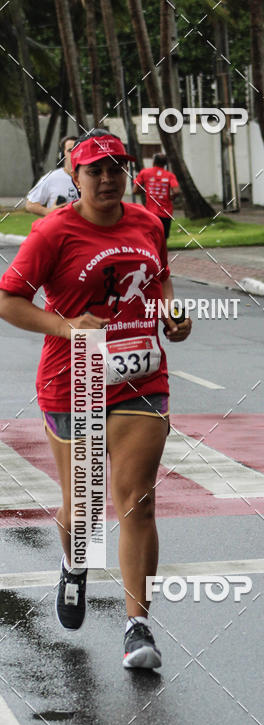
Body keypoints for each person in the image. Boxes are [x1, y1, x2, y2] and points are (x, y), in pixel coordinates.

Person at [0, 129, 191, 670]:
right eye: (95, 170)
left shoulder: (148, 223)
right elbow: (9, 301)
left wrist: (172, 316)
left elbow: (161, 281)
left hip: (141, 379)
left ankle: (137, 626)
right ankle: (74, 562)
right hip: (73, 381)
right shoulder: (52, 233)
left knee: (138, 500)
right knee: (82, 510)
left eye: (115, 168)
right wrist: (66, 327)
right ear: (75, 177)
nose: (107, 178)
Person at [25, 135, 79, 217]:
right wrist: (48, 212)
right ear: (62, 154)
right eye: (70, 150)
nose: (74, 153)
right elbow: (30, 204)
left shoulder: (91, 176)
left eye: (77, 149)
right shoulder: (51, 177)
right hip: (60, 228)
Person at [133, 153, 181, 239]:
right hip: (165, 212)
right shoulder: (170, 175)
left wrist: (147, 191)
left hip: (150, 212)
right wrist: (171, 197)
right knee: (163, 237)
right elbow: (176, 191)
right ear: (165, 164)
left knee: (151, 236)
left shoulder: (144, 172)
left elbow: (135, 190)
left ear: (153, 162)